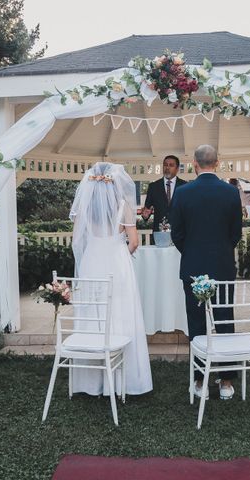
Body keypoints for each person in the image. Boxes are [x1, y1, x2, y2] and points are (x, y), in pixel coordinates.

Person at [69, 162, 153, 396]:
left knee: (92, 315)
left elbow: (78, 239)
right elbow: (134, 241)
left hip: (91, 261)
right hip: (117, 262)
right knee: (120, 314)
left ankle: (91, 382)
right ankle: (124, 380)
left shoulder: (85, 206)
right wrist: (120, 254)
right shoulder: (124, 206)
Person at [169, 145, 243, 400]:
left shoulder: (182, 192)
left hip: (193, 267)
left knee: (197, 324)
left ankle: (199, 382)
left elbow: (176, 233)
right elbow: (236, 233)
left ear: (194, 164)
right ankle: (225, 382)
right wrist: (221, 252)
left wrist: (191, 252)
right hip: (222, 266)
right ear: (217, 162)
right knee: (224, 321)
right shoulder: (231, 192)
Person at [141, 155, 187, 232]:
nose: (167, 167)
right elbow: (147, 211)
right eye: (165, 165)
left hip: (180, 233)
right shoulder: (153, 187)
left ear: (177, 169)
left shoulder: (185, 186)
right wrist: (145, 215)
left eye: (171, 165)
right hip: (159, 233)